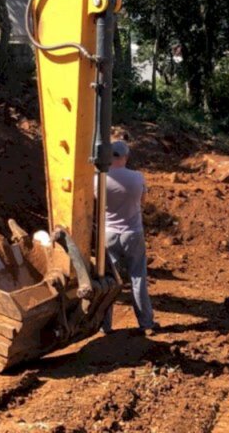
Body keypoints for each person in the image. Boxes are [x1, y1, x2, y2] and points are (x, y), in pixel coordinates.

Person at [102, 140, 156, 335]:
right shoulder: (138, 177)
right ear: (125, 157)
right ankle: (146, 323)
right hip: (132, 233)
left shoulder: (99, 178)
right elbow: (144, 201)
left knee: (109, 281)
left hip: (108, 234)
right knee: (137, 277)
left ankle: (104, 325)